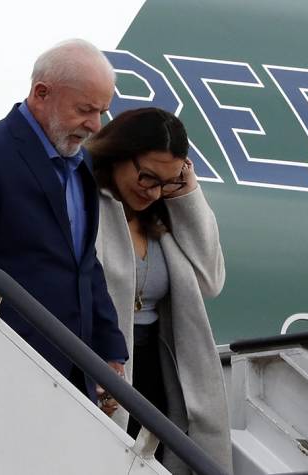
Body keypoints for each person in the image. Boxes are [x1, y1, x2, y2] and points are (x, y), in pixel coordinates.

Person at [0, 39, 128, 403]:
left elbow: (84, 262)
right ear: (41, 93)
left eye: (102, 111)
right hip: (3, 370)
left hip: (75, 372)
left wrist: (109, 349)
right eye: (85, 110)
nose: (95, 125)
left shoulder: (81, 161)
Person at [87, 107, 233, 474]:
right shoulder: (87, 200)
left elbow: (211, 279)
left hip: (160, 373)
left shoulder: (165, 213)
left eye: (165, 182)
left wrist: (186, 194)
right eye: (147, 176)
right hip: (104, 360)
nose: (152, 191)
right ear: (119, 153)